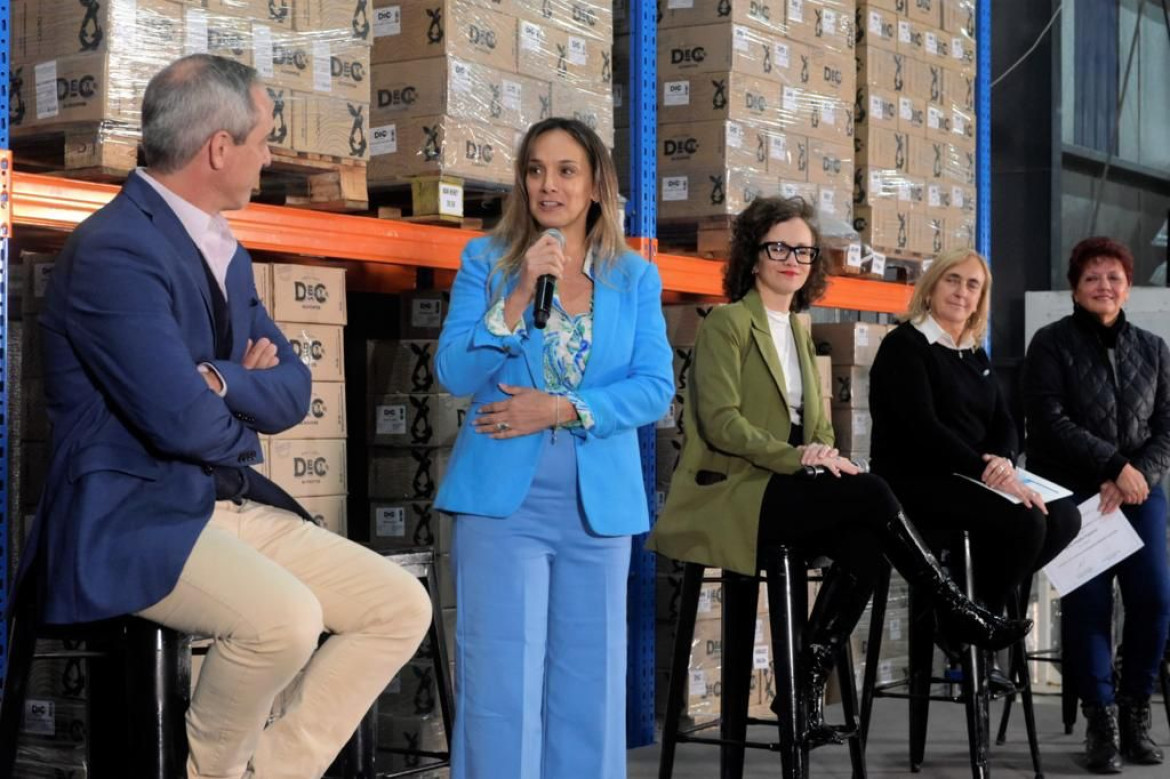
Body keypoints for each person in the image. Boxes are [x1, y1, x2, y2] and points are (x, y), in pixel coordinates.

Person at [20, 55, 432, 779]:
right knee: (284, 619)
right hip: (130, 515)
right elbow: (179, 421)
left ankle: (262, 772)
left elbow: (295, 390)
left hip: (218, 501)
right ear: (219, 147)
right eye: (265, 138)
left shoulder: (223, 251)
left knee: (398, 605)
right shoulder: (115, 251)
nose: (270, 156)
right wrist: (236, 401)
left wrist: (219, 378)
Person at [647, 197, 1032, 748]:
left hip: (786, 488)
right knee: (874, 492)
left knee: (867, 541)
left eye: (803, 250)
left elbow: (820, 426)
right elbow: (721, 423)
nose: (792, 259)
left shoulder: (800, 330)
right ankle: (953, 609)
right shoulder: (727, 324)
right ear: (754, 256)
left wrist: (823, 454)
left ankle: (802, 681)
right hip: (733, 490)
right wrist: (799, 457)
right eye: (778, 247)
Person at [434, 117, 673, 778]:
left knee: (589, 686)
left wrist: (563, 407)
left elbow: (655, 388)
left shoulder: (634, 278)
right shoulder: (486, 262)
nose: (549, 184)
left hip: (597, 509)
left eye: (566, 170)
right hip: (501, 505)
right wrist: (514, 296)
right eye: (535, 169)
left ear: (595, 183)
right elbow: (453, 371)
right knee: (499, 681)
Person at [868, 248, 1081, 677]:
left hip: (972, 477)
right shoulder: (905, 346)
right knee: (1026, 521)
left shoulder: (972, 351)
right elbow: (923, 429)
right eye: (952, 279)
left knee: (1064, 517)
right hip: (918, 478)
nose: (961, 292)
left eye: (972, 285)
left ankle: (963, 613)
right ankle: (964, 617)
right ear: (931, 287)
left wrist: (1003, 460)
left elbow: (1005, 419)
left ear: (981, 297)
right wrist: (989, 473)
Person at [1023, 236, 1170, 773]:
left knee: (1154, 599)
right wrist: (1113, 467)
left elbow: (1166, 428)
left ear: (1128, 287)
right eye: (1092, 278)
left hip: (1138, 491)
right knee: (1087, 608)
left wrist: (1136, 475)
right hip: (1074, 496)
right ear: (1075, 289)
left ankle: (1135, 714)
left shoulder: (1154, 349)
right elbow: (1048, 420)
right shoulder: (1050, 343)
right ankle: (1100, 723)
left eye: (1113, 277)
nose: (1103, 286)